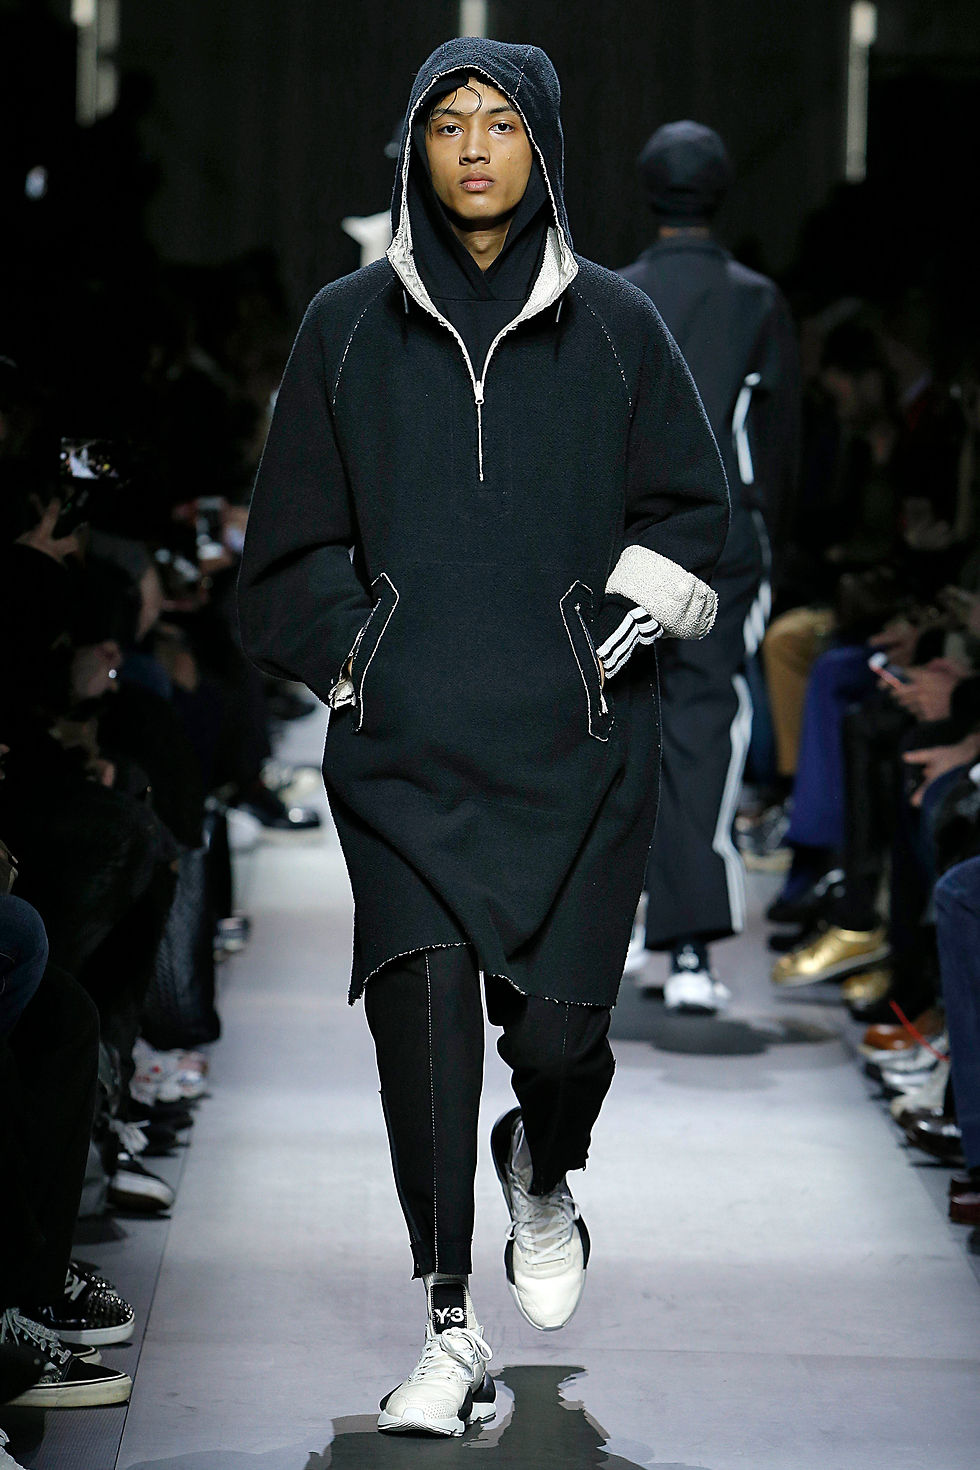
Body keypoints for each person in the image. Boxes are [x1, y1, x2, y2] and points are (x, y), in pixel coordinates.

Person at [239, 38, 728, 1437]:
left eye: (499, 122)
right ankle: (448, 1325)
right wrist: (360, 657)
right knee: (427, 1036)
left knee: (561, 1046)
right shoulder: (344, 326)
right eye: (447, 121)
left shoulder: (619, 325)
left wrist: (608, 633)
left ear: (543, 146)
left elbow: (695, 511)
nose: (471, 146)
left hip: (579, 748)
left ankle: (542, 1159)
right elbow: (287, 546)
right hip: (403, 756)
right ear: (414, 145)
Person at [619, 121, 800, 1012]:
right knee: (703, 726)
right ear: (721, 192)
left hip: (627, 544)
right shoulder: (757, 301)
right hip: (725, 548)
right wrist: (775, 533)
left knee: (619, 721)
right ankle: (688, 949)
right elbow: (778, 443)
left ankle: (617, 922)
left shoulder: (616, 294)